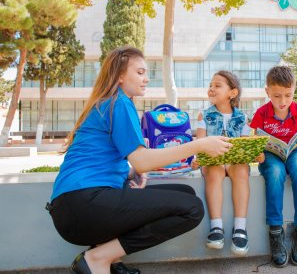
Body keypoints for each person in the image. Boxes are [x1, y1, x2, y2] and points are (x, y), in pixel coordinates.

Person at [47, 46, 233, 274]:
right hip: (84, 204)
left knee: (185, 193)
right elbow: (142, 161)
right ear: (120, 75)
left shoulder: (108, 102)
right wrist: (200, 144)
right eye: (140, 72)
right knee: (192, 209)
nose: (146, 79)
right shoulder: (119, 102)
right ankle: (99, 257)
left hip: (73, 206)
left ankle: (107, 257)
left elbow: (106, 160)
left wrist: (130, 172)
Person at [249, 66, 297, 268]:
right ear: (267, 91)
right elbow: (253, 143)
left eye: (288, 95)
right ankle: (275, 232)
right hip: (271, 155)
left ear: (294, 90)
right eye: (277, 96)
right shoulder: (261, 113)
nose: (283, 101)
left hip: (295, 152)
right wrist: (257, 153)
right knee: (276, 172)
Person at [191, 70, 264, 255]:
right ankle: (216, 227)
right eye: (210, 85)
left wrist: (256, 155)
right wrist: (197, 159)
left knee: (241, 170)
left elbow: (246, 145)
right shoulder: (204, 115)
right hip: (213, 162)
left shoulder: (242, 118)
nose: (211, 89)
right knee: (214, 171)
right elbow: (199, 144)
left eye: (217, 85)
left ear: (232, 93)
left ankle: (240, 227)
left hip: (234, 162)